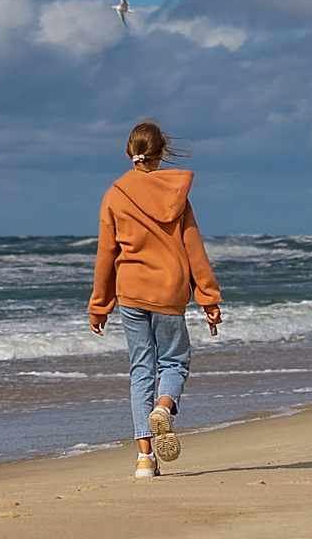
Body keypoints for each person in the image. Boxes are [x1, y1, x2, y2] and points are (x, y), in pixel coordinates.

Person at [88, 119, 223, 478]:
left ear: (129, 153)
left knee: (141, 371)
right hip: (168, 292)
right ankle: (164, 408)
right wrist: (208, 299)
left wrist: (100, 305)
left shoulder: (115, 194)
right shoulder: (176, 194)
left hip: (130, 291)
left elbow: (106, 253)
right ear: (162, 152)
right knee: (175, 362)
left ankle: (145, 458)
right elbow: (193, 247)